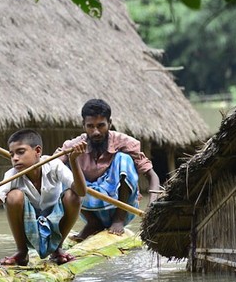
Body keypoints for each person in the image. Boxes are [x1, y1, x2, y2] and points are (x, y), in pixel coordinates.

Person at [0, 129, 88, 266]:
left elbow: (81, 192)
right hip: (30, 226)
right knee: (13, 196)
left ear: (38, 151)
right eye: (12, 155)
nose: (15, 158)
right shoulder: (12, 175)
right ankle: (22, 252)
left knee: (73, 197)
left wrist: (73, 160)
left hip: (56, 223)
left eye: (20, 152)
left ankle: (57, 249)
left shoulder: (54, 165)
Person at [58, 98, 161, 241]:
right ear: (83, 126)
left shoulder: (125, 142)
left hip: (122, 208)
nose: (96, 132)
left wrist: (152, 205)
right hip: (89, 205)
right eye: (90, 126)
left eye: (101, 126)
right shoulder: (73, 145)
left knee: (123, 159)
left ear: (110, 123)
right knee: (61, 169)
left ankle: (118, 220)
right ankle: (93, 223)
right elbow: (50, 166)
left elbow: (152, 175)